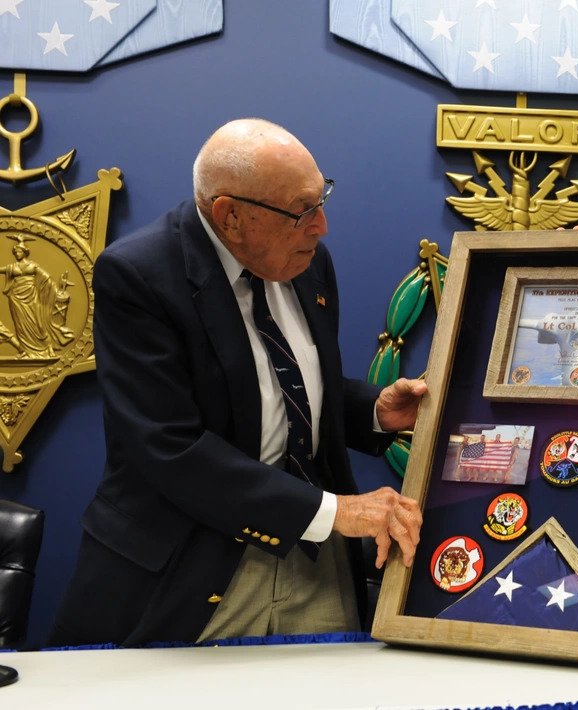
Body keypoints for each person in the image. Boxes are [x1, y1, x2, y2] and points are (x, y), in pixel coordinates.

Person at [48, 118, 427, 647]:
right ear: (230, 217)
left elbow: (284, 386)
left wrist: (374, 411)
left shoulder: (307, 260)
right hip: (194, 559)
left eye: (322, 200)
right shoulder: (138, 276)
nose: (321, 227)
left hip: (317, 560)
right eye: (303, 210)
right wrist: (334, 510)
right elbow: (169, 446)